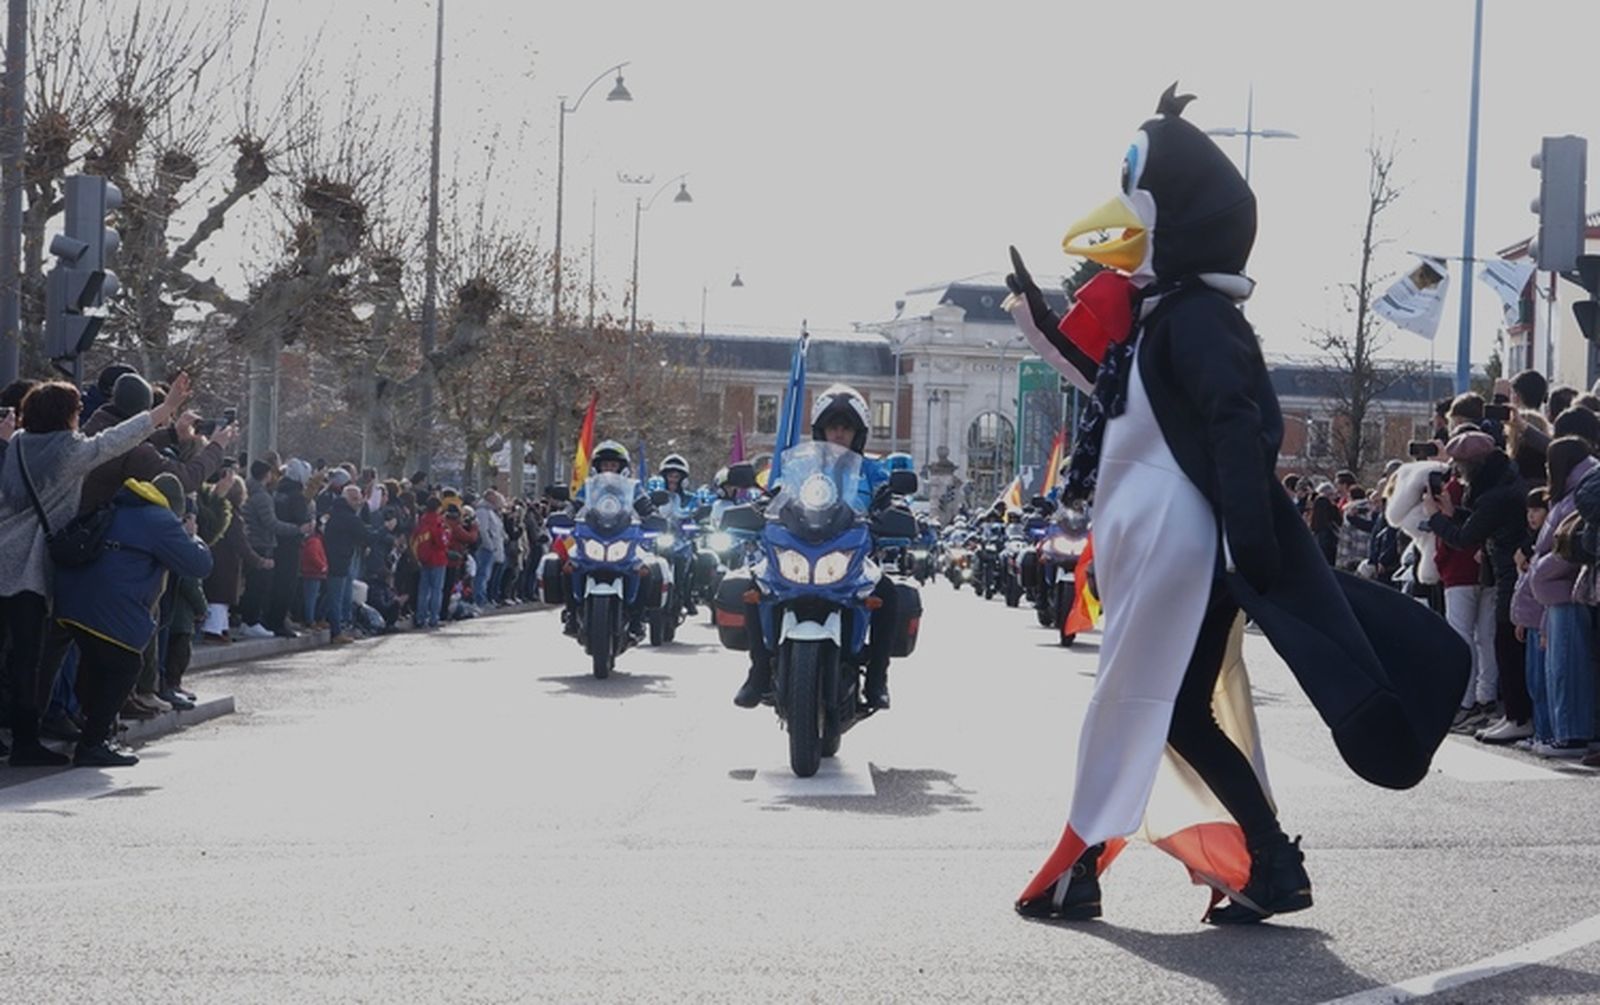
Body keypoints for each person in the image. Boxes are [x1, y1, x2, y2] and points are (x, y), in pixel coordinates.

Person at [1002, 86, 1466, 925]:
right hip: (1175, 549)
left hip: (1183, 550)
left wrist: (1248, 536)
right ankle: (1269, 862)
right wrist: (1043, 321)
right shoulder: (1169, 318)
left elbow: (1233, 421)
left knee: (1138, 700)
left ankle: (1097, 860)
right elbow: (1127, 399)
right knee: (1171, 707)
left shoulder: (1196, 317)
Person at [0, 375, 189, 765]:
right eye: (76, 410)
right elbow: (114, 440)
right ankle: (24, 742)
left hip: (2, 551)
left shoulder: (17, 443)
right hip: (27, 568)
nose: (79, 416)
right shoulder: (69, 452)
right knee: (26, 658)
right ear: (64, 415)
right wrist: (167, 409)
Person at [732, 384, 899, 711]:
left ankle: (877, 679)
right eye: (833, 426)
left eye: (846, 427)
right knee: (755, 585)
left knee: (889, 593)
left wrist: (893, 512)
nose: (839, 433)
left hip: (850, 555)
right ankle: (759, 671)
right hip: (799, 547)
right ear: (820, 430)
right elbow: (777, 494)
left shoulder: (874, 471)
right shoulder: (798, 468)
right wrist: (760, 506)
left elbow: (890, 500)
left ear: (858, 433)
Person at [51, 471, 212, 766]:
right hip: (109, 607)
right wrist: (192, 536)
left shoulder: (120, 507)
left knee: (96, 663)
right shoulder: (161, 520)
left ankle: (96, 733)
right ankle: (92, 744)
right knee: (125, 666)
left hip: (73, 600)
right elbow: (198, 565)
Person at [1423, 429, 1531, 744]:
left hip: (1509, 573)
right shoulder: (1504, 483)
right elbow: (1481, 522)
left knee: (1506, 646)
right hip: (1505, 571)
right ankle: (1513, 714)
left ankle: (1518, 717)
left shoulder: (1494, 495)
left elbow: (1464, 538)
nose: (1457, 472)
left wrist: (1435, 518)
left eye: (1459, 466)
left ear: (1471, 466)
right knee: (1498, 642)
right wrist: (1453, 513)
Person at [411, 497, 449, 629]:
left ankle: (421, 618)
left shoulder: (421, 521)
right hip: (438, 558)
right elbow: (441, 542)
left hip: (424, 559)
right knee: (436, 590)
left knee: (423, 590)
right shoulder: (438, 522)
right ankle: (434, 618)